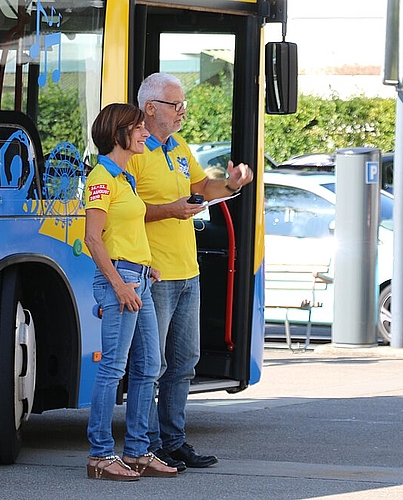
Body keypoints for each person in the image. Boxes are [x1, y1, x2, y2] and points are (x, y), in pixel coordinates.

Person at [127, 73, 254, 470]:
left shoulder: (177, 145)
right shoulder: (131, 149)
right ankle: (147, 444)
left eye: (183, 105)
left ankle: (173, 441)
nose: (182, 112)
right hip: (154, 273)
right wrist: (170, 210)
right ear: (150, 108)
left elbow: (201, 186)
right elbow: (124, 211)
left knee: (184, 362)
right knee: (151, 364)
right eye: (175, 105)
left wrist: (230, 185)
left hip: (188, 271)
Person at [84, 103, 176, 481]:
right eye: (138, 128)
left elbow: (125, 229)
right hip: (120, 280)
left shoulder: (125, 178)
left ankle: (137, 451)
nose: (144, 133)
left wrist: (145, 265)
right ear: (119, 132)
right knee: (113, 369)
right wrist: (120, 284)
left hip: (139, 277)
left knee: (149, 366)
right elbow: (93, 238)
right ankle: (100, 455)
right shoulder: (102, 178)